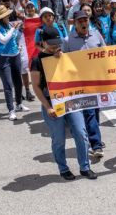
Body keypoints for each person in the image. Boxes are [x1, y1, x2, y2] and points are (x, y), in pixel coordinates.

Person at [30, 25, 97, 181]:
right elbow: (36, 86)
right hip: (51, 102)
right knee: (58, 138)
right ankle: (63, 168)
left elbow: (76, 75)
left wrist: (63, 59)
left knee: (81, 133)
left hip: (70, 100)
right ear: (43, 42)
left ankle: (85, 167)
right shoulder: (36, 61)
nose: (55, 46)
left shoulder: (64, 55)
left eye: (57, 43)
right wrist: (47, 107)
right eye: (52, 43)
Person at [65, 10, 107, 158]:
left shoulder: (96, 35)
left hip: (97, 80)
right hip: (81, 83)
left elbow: (105, 52)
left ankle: (94, 139)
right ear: (75, 23)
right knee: (89, 112)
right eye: (80, 21)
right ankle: (96, 144)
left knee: (95, 111)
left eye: (85, 20)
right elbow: (64, 61)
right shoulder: (69, 40)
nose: (84, 23)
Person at [0, 5, 29, 121]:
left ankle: (19, 104)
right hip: (2, 58)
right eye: (6, 15)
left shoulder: (10, 24)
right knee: (8, 85)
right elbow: (4, 40)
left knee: (18, 82)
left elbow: (14, 39)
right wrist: (13, 28)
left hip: (15, 55)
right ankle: (11, 110)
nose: (9, 16)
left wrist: (18, 45)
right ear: (1, 17)